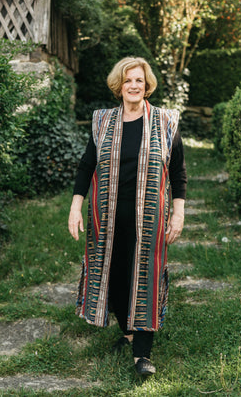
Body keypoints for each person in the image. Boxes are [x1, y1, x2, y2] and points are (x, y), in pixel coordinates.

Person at [68, 57, 187, 376]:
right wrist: (75, 206)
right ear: (118, 86)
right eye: (128, 80)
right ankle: (128, 329)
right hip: (107, 216)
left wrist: (179, 212)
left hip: (149, 218)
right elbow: (86, 165)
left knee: (145, 274)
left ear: (147, 85)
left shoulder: (164, 121)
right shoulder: (103, 121)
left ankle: (142, 354)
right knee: (115, 273)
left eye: (139, 80)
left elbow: (178, 172)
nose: (134, 86)